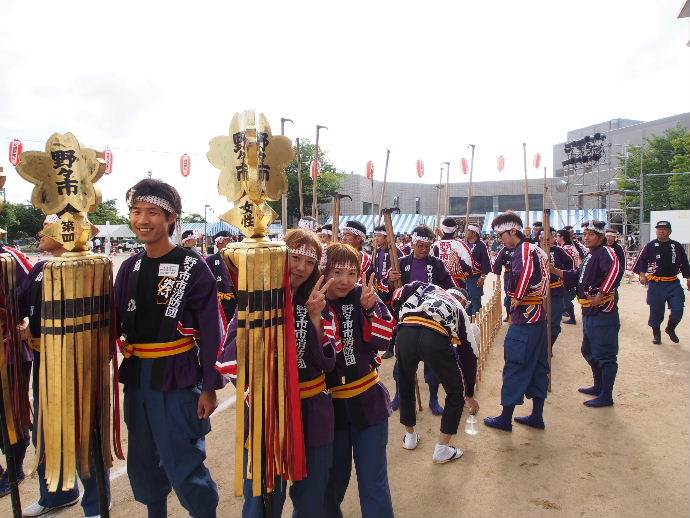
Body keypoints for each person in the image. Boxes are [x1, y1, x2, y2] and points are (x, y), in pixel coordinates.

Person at [114, 179, 225, 518]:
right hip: (138, 381)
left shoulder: (193, 265)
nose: (142, 220)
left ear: (171, 218)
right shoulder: (129, 266)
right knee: (144, 460)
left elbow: (211, 331)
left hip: (177, 378)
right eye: (136, 212)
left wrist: (209, 386)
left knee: (184, 459)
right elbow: (114, 319)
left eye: (152, 212)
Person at [17, 215, 110, 518]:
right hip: (45, 362)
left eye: (45, 228)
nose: (39, 234)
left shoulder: (91, 267)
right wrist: (25, 326)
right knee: (45, 429)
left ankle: (96, 503)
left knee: (85, 430)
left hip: (79, 363)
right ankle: (55, 493)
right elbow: (20, 304)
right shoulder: (41, 268)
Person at [322, 243, 395, 518]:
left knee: (373, 481)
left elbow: (385, 340)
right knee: (331, 483)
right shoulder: (312, 300)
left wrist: (370, 310)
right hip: (331, 409)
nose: (344, 280)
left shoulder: (364, 296)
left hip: (368, 402)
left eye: (351, 273)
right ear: (324, 271)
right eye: (337, 272)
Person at [391, 281, 478, 464]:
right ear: (463, 302)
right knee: (455, 392)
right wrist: (469, 392)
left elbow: (401, 292)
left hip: (405, 331)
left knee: (405, 384)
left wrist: (398, 309)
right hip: (435, 337)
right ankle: (442, 449)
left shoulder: (428, 287)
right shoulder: (459, 309)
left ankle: (410, 438)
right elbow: (469, 355)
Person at [484, 212, 549, 432]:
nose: (500, 239)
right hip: (538, 317)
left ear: (513, 231)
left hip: (526, 316)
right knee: (539, 366)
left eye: (501, 234)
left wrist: (516, 299)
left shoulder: (524, 250)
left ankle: (505, 417)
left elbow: (526, 274)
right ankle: (537, 416)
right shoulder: (535, 250)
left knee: (515, 364)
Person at [551, 220, 621, 407]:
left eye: (591, 234)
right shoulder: (591, 256)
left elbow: (615, 270)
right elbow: (576, 277)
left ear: (601, 237)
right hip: (589, 311)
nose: (587, 237)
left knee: (605, 355)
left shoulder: (606, 252)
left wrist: (602, 292)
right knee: (588, 350)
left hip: (603, 312)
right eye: (585, 234)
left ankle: (607, 395)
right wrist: (553, 270)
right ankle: (599, 386)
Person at [389, 225, 456, 416]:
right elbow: (388, 291)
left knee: (432, 362)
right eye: (420, 246)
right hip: (407, 318)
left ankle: (433, 398)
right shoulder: (400, 262)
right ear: (412, 243)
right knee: (402, 361)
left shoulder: (436, 264)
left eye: (427, 246)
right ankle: (399, 395)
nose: (424, 250)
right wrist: (390, 279)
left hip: (431, 318)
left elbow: (449, 286)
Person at [0, 237, 33, 499]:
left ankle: (14, 469)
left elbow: (36, 289)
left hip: (7, 350)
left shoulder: (10, 258)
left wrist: (23, 324)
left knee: (11, 413)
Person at [632, 220, 690, 344]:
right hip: (656, 284)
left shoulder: (677, 246)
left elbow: (685, 263)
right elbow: (641, 260)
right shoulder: (650, 245)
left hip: (673, 283)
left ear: (669, 231)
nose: (661, 231)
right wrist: (642, 274)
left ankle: (670, 328)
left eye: (664, 229)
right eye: (659, 229)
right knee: (656, 312)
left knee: (678, 309)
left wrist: (688, 278)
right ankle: (656, 334)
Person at [537, 227, 574, 349]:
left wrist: (561, 274)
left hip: (556, 291)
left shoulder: (559, 251)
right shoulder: (533, 251)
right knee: (538, 321)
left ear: (553, 238)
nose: (545, 239)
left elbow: (570, 265)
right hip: (537, 293)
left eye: (549, 237)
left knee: (554, 323)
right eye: (542, 237)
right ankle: (540, 347)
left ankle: (549, 347)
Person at [457, 224, 491, 316]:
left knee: (475, 300)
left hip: (475, 277)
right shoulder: (463, 244)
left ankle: (476, 322)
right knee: (464, 300)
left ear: (473, 233)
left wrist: (482, 277)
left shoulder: (481, 246)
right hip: (463, 277)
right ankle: (467, 320)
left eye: (467, 231)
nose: (465, 233)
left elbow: (485, 262)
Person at [205, 230, 237, 328]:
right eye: (228, 240)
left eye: (231, 240)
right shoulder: (210, 260)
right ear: (219, 242)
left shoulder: (237, 258)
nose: (231, 242)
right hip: (218, 300)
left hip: (236, 298)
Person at [432, 217, 473, 288]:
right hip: (457, 281)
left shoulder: (436, 245)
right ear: (455, 230)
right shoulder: (460, 244)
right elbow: (469, 263)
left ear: (442, 229)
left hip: (439, 283)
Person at [556, 229, 581, 325]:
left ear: (562, 237)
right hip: (574, 273)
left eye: (557, 236)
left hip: (568, 275)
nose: (556, 238)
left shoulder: (564, 249)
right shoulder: (571, 247)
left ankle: (572, 317)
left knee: (565, 298)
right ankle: (569, 315)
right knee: (565, 297)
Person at [491, 243, 514, 322]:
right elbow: (497, 263)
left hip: (520, 275)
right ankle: (508, 315)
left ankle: (515, 316)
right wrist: (498, 278)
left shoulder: (520, 247)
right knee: (508, 296)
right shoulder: (504, 250)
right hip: (508, 275)